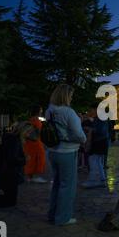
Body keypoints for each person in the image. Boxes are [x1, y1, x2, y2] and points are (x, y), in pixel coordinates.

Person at [46, 84, 86, 226]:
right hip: (67, 152)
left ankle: (53, 214)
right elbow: (79, 135)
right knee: (67, 186)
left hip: (52, 151)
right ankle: (63, 218)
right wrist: (81, 128)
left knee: (57, 184)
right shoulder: (68, 112)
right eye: (71, 95)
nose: (71, 98)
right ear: (65, 96)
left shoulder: (50, 110)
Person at [81, 103, 109, 188]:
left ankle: (93, 180)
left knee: (93, 160)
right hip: (101, 142)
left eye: (90, 110)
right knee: (97, 161)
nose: (89, 112)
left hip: (99, 142)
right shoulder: (99, 118)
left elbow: (101, 131)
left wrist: (90, 129)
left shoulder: (101, 118)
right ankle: (101, 180)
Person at [24, 105, 47, 183]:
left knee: (31, 158)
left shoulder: (30, 119)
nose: (42, 111)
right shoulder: (36, 120)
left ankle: (30, 177)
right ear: (38, 111)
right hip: (36, 142)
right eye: (41, 110)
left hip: (29, 142)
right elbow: (38, 132)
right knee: (39, 158)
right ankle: (36, 176)